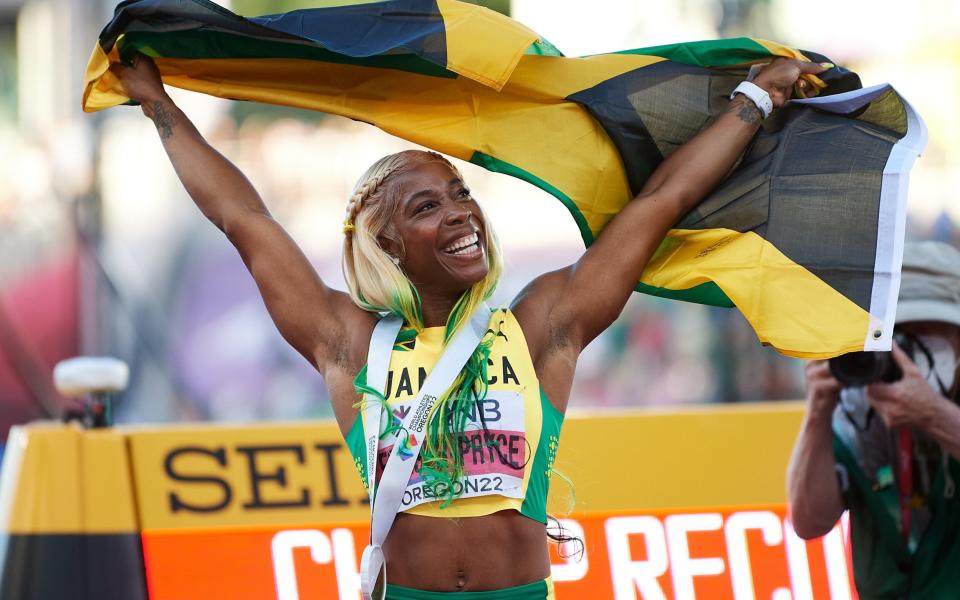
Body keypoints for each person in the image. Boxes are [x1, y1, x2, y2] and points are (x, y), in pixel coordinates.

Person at [115, 53, 821, 599]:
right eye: (426, 207)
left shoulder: (544, 323)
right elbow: (245, 221)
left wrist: (757, 97)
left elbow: (661, 202)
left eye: (461, 194)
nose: (459, 212)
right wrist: (157, 106)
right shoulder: (348, 340)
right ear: (386, 244)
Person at [788, 241, 960, 599]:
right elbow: (809, 522)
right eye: (894, 335)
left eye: (924, 333)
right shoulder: (856, 403)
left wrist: (934, 415)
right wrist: (819, 410)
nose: (907, 352)